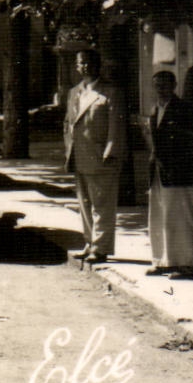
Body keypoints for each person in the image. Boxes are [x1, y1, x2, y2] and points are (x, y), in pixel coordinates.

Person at [64, 48, 126, 265]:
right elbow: (68, 123)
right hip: (79, 156)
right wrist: (68, 149)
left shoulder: (110, 92)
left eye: (89, 62)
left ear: (98, 65)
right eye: (81, 63)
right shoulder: (74, 92)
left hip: (101, 157)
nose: (85, 67)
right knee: (84, 204)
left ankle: (101, 248)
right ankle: (89, 242)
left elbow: (116, 126)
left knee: (102, 205)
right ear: (76, 66)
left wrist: (111, 151)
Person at [144, 70, 193, 279]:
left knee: (181, 219)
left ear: (174, 86)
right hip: (159, 172)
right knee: (159, 218)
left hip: (180, 173)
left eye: (165, 85)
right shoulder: (155, 110)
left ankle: (186, 265)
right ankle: (163, 262)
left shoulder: (185, 109)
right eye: (157, 85)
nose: (160, 89)